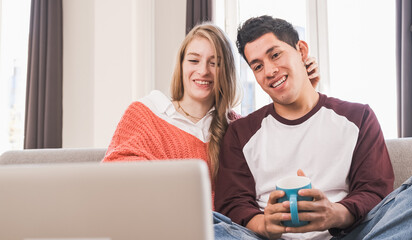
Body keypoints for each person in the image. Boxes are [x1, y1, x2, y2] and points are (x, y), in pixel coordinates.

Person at [214, 15, 412, 240]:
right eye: (258, 66)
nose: (269, 71)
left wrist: (335, 214)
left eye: (275, 55)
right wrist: (265, 224)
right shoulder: (240, 133)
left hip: (351, 235)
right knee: (209, 222)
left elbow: (374, 192)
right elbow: (233, 204)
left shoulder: (358, 117)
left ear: (302, 50)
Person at [102, 23, 320, 197]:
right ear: (181, 65)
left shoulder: (237, 128)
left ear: (226, 71)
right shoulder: (147, 112)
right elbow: (115, 178)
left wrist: (304, 93)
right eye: (194, 60)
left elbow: (279, 167)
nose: (203, 71)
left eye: (214, 63)